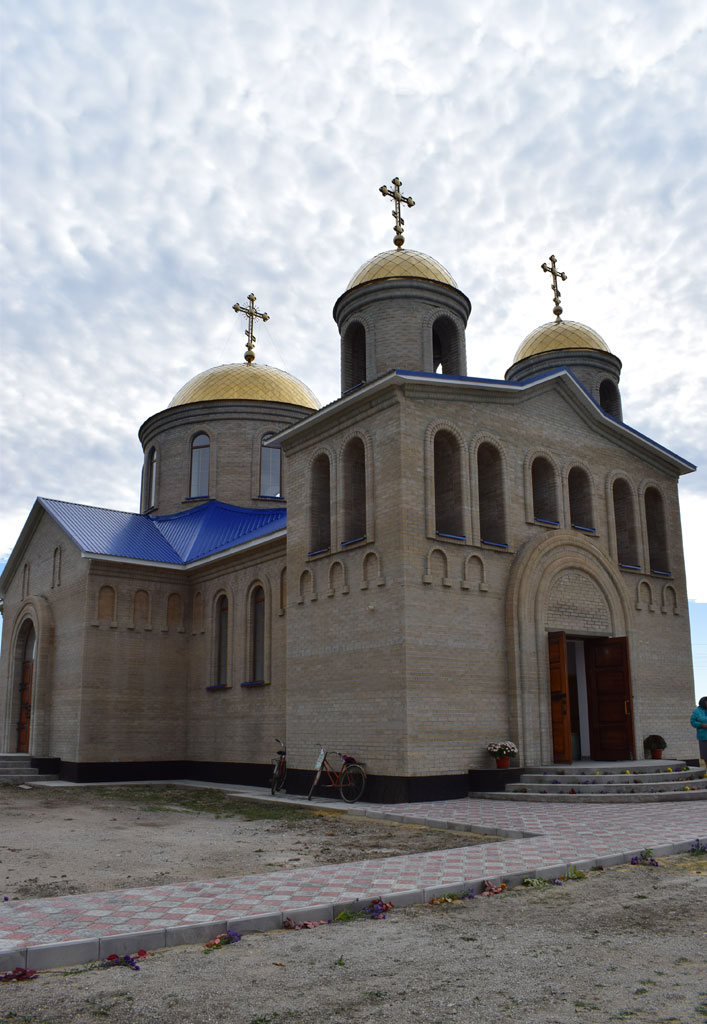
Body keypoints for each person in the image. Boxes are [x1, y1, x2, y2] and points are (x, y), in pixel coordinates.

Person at [690, 696, 707, 767]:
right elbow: (692, 722)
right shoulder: (696, 711)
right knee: (705, 755)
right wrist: (701, 725)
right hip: (703, 736)